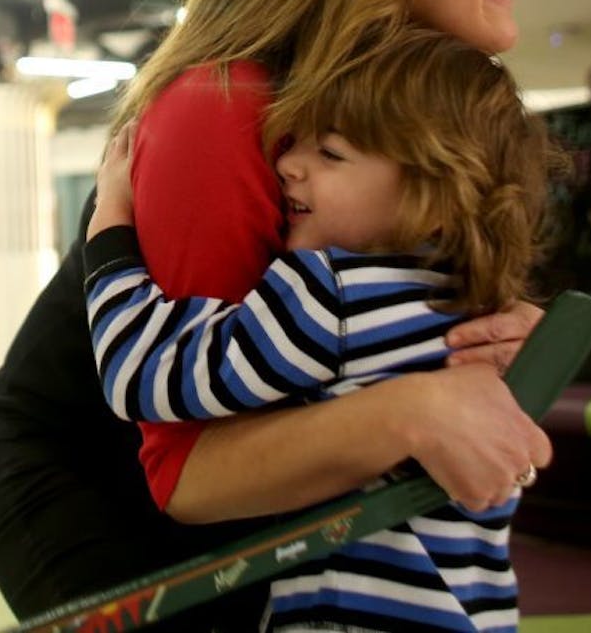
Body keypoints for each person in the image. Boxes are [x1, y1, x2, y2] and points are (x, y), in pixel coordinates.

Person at [0, 0, 550, 631]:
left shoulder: (386, 108)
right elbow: (190, 473)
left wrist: (469, 338)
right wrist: (413, 407)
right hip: (105, 485)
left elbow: (361, 316)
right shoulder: (222, 107)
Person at [85, 33, 561, 631]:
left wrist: (108, 229)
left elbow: (143, 374)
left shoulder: (332, 297)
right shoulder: (475, 309)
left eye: (330, 154)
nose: (288, 163)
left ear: (434, 192)